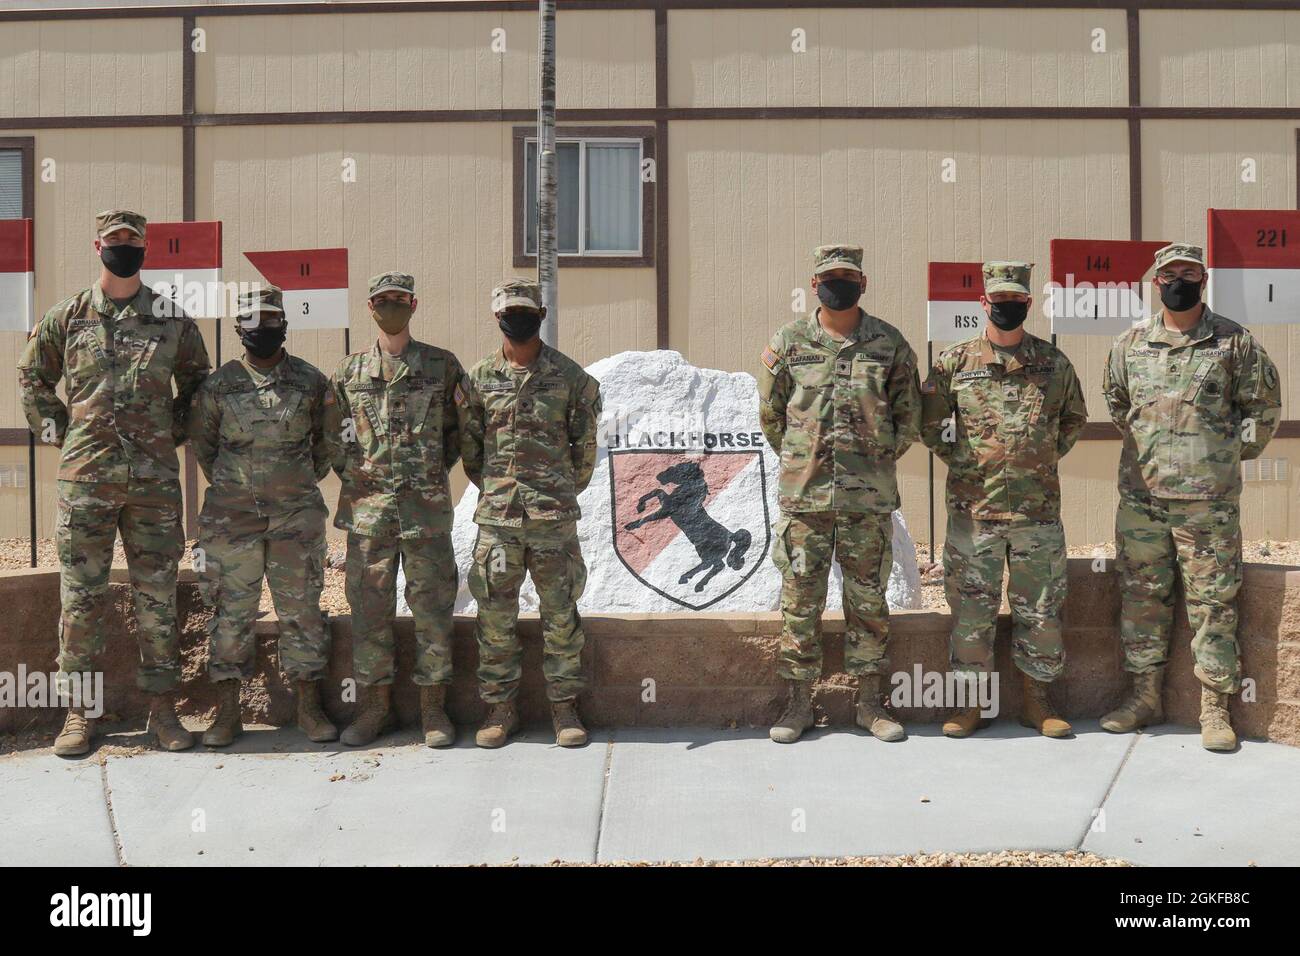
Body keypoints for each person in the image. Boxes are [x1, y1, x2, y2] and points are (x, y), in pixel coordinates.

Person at [18, 208, 210, 756]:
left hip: (153, 485)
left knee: (157, 598)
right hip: (86, 483)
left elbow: (197, 387)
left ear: (145, 248)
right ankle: (80, 713)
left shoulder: (172, 319)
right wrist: (66, 435)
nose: (123, 246)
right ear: (96, 244)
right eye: (114, 239)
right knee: (81, 601)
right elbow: (33, 378)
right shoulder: (69, 316)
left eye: (133, 239)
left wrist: (164, 436)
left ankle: (164, 711)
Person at [1101, 242, 1281, 751]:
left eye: (1189, 272)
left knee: (1213, 603)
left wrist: (1218, 458)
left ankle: (1214, 709)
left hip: (1209, 504)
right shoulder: (1129, 344)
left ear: (1203, 278)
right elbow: (1120, 406)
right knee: (1141, 598)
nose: (1178, 280)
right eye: (1169, 273)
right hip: (1143, 500)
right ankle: (1143, 698)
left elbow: (1262, 411)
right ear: (1155, 281)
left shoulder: (1234, 343)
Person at [757, 244, 921, 744]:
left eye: (848, 276)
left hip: (866, 502)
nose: (839, 284)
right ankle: (797, 704)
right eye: (830, 277)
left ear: (863, 284)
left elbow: (909, 417)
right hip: (805, 500)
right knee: (800, 601)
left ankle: (870, 702)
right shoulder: (788, 342)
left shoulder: (889, 344)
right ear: (814, 285)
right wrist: (803, 460)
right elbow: (772, 414)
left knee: (867, 601)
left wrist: (872, 458)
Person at [921, 261, 1087, 738]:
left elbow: (1073, 418)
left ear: (1027, 304)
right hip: (975, 514)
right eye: (999, 300)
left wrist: (1039, 457)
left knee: (1040, 608)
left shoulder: (1052, 363)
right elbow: (929, 424)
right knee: (972, 611)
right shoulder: (954, 363)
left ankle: (1039, 702)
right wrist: (968, 463)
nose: (1007, 308)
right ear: (983, 303)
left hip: (1036, 513)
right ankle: (972, 705)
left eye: (1016, 301)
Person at [189, 284, 336, 746]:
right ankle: (228, 713)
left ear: (284, 325)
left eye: (270, 321)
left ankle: (309, 709)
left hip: (296, 520)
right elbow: (205, 448)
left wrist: (289, 481)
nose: (261, 329)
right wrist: (242, 486)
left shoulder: (312, 383)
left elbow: (327, 446)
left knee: (302, 613)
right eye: (251, 322)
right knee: (231, 615)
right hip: (232, 522)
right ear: (237, 329)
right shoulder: (217, 386)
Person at [458, 278, 602, 748]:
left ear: (540, 315)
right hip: (498, 522)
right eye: (508, 312)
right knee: (495, 617)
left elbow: (585, 448)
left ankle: (565, 709)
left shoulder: (571, 378)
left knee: (560, 614)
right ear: (497, 317)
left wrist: (556, 492)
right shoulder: (478, 380)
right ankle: (500, 710)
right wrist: (500, 491)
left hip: (553, 522)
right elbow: (472, 452)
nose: (517, 319)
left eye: (525, 311)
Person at [327, 272, 467, 748]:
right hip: (369, 515)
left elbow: (457, 434)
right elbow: (334, 437)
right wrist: (364, 478)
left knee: (432, 610)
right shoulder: (347, 374)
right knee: (369, 612)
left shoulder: (442, 366)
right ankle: (374, 709)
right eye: (382, 300)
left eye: (399, 300)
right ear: (370, 308)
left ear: (413, 304)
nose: (391, 307)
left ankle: (433, 710)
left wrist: (425, 473)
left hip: (426, 512)